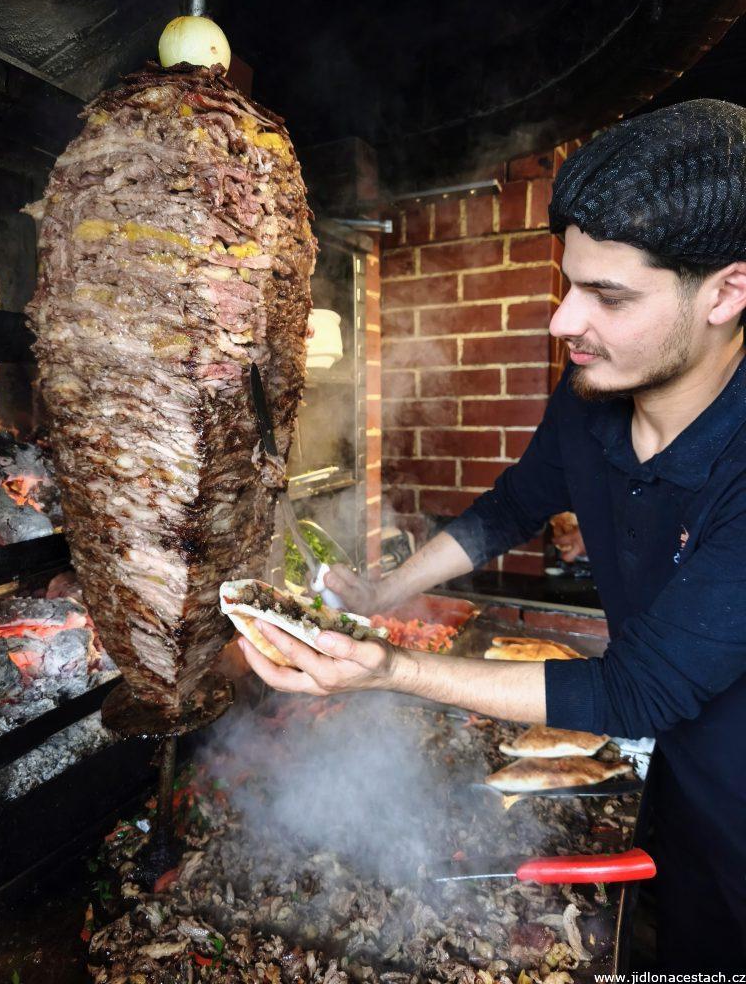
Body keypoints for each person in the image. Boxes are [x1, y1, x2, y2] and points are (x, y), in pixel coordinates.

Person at [238, 99, 746, 971]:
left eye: (606, 295)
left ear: (728, 293)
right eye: (567, 281)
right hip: (675, 776)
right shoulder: (594, 392)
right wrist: (377, 597)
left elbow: (637, 692)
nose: (563, 321)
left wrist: (390, 670)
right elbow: (512, 508)